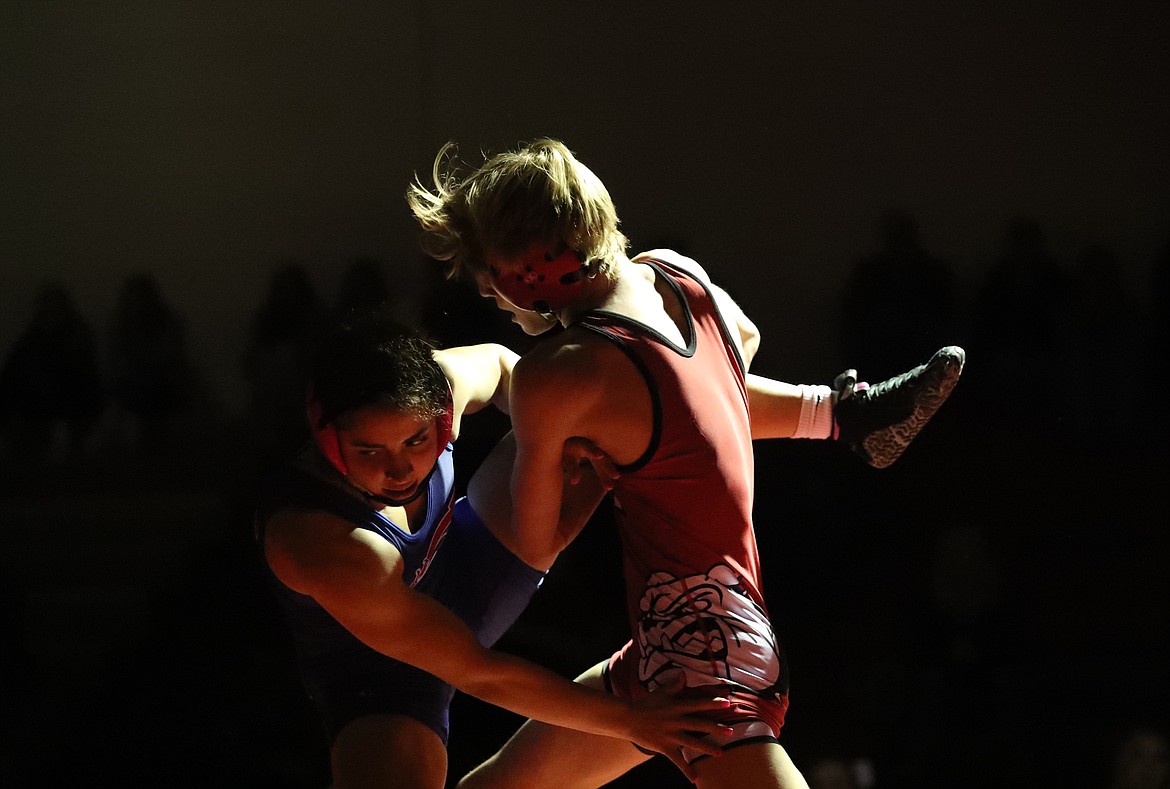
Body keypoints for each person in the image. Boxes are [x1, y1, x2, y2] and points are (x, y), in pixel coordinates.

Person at [407, 137, 964, 788]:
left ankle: (844, 415)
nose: (489, 296)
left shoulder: (557, 378)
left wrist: (584, 470)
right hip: (691, 639)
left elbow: (534, 543)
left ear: (523, 268)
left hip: (699, 655)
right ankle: (843, 413)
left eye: (486, 278)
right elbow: (722, 380)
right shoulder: (678, 275)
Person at [254, 308, 733, 789]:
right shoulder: (323, 541)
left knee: (580, 409)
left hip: (472, 560)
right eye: (369, 452)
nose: (400, 471)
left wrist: (564, 437)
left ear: (441, 412)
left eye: (417, 440)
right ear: (326, 439)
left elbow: (511, 371)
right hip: (383, 678)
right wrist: (631, 722)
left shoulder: (447, 383)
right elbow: (478, 673)